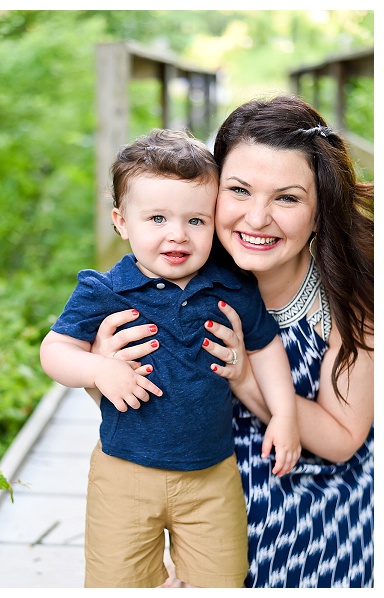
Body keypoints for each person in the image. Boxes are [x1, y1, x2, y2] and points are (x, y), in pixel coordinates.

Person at [91, 96, 373, 588]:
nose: (257, 218)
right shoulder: (169, 273)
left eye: (287, 198)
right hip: (188, 492)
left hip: (313, 503)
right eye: (239, 190)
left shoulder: (352, 297)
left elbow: (343, 440)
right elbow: (118, 402)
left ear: (320, 211)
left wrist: (244, 375)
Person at [40, 129, 300, 588]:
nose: (177, 235)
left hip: (211, 475)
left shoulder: (231, 287)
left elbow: (264, 346)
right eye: (156, 218)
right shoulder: (105, 291)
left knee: (220, 579)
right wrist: (100, 368)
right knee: (116, 580)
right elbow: (55, 351)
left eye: (196, 221)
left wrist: (283, 413)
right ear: (122, 222)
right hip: (124, 471)